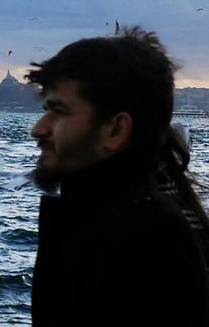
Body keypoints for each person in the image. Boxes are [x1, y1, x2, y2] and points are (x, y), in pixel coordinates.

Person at [26, 25, 209, 326]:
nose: (39, 129)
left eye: (59, 112)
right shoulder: (101, 220)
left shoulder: (149, 239)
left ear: (116, 130)